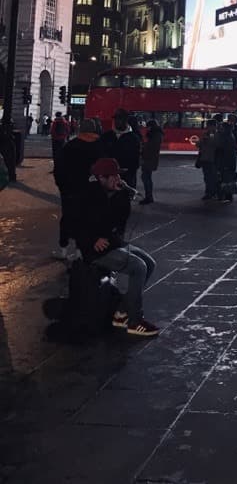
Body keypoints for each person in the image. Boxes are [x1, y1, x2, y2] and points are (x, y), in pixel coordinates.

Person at [76, 157, 158, 337]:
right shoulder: (87, 196)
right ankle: (135, 321)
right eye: (112, 176)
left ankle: (121, 313)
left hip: (114, 243)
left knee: (150, 263)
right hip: (96, 250)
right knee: (139, 267)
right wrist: (92, 240)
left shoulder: (116, 194)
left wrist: (122, 195)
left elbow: (119, 222)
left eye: (117, 176)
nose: (117, 180)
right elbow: (75, 223)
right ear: (100, 178)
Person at [52, 118, 103, 260]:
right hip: (92, 190)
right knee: (86, 220)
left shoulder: (71, 146)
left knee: (67, 218)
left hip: (70, 190)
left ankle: (63, 248)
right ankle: (80, 251)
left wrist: (62, 186)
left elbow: (59, 168)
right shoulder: (100, 146)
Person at [99, 109, 141, 189]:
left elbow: (136, 159)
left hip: (127, 178)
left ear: (126, 120)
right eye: (116, 119)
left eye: (120, 119)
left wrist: (127, 171)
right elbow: (101, 154)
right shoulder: (106, 136)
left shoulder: (134, 138)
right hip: (108, 177)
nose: (117, 121)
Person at [196, 119, 222, 200]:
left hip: (213, 158)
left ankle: (214, 192)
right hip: (205, 158)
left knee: (213, 177)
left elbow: (216, 144)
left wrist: (208, 139)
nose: (208, 127)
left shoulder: (217, 134)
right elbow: (198, 144)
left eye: (209, 125)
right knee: (207, 177)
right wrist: (202, 141)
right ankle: (209, 192)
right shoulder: (205, 134)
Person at [140, 120, 163, 204]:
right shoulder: (157, 135)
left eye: (148, 127)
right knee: (146, 177)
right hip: (150, 159)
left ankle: (148, 197)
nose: (147, 129)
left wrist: (143, 148)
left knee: (146, 178)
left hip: (149, 159)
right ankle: (149, 196)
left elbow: (151, 148)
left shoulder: (155, 135)